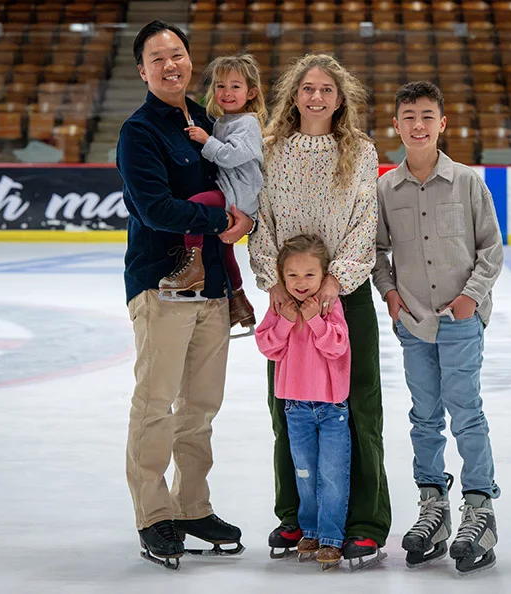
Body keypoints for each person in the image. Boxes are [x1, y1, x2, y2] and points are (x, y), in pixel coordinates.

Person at [116, 20, 253, 569]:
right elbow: (154, 209)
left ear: (189, 60)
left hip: (213, 286)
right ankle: (154, 514)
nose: (170, 64)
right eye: (158, 58)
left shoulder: (207, 118)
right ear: (142, 70)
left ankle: (192, 505)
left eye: (177, 54)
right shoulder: (139, 132)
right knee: (156, 404)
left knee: (200, 406)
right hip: (162, 283)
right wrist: (223, 217)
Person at [248, 53, 391, 570]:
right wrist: (275, 285)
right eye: (307, 87)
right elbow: (261, 223)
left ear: (340, 97)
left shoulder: (360, 151)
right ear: (294, 95)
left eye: (326, 89)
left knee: (357, 409)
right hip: (287, 298)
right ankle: (297, 516)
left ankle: (364, 523)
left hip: (342, 297)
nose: (315, 96)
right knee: (287, 408)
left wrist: (334, 281)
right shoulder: (271, 152)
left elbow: (364, 225)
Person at [372, 81, 504, 574]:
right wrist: (390, 296)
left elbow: (491, 248)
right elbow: (378, 254)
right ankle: (433, 506)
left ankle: (480, 510)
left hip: (461, 320)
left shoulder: (468, 182)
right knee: (424, 417)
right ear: (397, 125)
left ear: (442, 123)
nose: (418, 125)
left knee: (466, 413)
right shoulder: (386, 188)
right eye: (409, 116)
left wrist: (471, 296)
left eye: (428, 116)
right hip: (414, 323)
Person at [255, 234, 351, 569]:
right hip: (295, 408)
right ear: (281, 277)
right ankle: (309, 529)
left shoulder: (329, 305)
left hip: (331, 408)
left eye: (310, 275)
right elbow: (268, 347)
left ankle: (331, 537)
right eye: (292, 275)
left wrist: (313, 319)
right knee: (305, 472)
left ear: (324, 276)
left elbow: (337, 347)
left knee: (332, 473)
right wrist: (284, 321)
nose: (301, 282)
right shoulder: (279, 307)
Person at [159, 53, 266, 337]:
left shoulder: (248, 123)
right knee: (224, 249)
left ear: (251, 92)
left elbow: (232, 156)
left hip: (239, 194)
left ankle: (193, 266)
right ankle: (240, 303)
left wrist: (207, 141)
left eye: (235, 86)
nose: (226, 93)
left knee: (196, 206)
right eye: (220, 86)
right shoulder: (222, 121)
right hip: (230, 188)